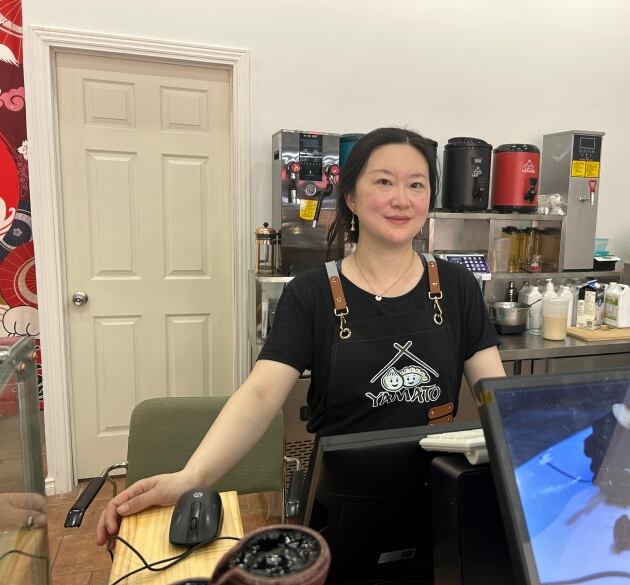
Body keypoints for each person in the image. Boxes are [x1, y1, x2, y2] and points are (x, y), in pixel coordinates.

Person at [96, 127, 505, 546]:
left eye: (416, 185)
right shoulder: (310, 294)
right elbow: (259, 396)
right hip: (344, 507)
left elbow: (496, 396)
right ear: (350, 197)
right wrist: (191, 477)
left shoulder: (456, 287)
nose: (402, 199)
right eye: (384, 181)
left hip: (437, 500)